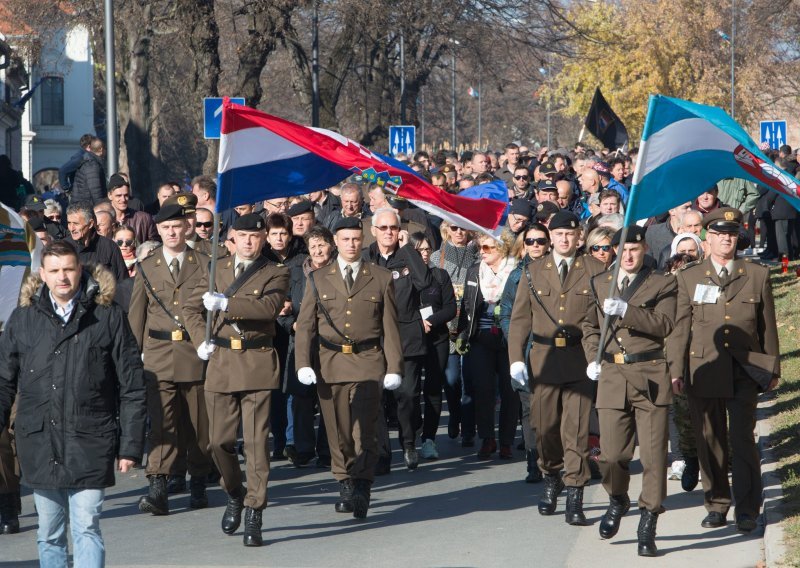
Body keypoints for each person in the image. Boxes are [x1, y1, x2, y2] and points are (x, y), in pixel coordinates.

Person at [0, 240, 147, 567]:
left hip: (90, 440)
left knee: (86, 527)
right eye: (54, 271)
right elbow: (3, 381)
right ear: (42, 274)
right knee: (49, 532)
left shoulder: (108, 317)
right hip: (39, 443)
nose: (62, 277)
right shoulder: (23, 320)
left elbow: (132, 384)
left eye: (68, 269)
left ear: (80, 269)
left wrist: (130, 446)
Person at [667, 207, 780, 533]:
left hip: (745, 368)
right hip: (703, 367)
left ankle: (747, 509)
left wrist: (772, 367)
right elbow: (680, 328)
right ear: (708, 238)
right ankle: (716, 503)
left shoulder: (756, 274)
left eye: (731, 234)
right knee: (710, 439)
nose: (726, 240)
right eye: (719, 234)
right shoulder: (689, 277)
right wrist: (676, 369)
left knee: (742, 439)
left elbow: (767, 326)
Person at [187, 213, 289, 547]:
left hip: (257, 361)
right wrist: (197, 338)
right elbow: (190, 308)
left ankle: (255, 510)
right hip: (221, 361)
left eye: (255, 236)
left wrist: (227, 303)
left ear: (263, 239)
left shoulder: (276, 271)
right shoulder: (214, 269)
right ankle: (234, 491)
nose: (248, 241)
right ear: (232, 236)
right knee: (218, 442)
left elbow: (269, 307)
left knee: (258, 445)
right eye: (243, 235)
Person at [294, 216, 403, 519]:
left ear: (363, 239)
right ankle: (344, 480)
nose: (351, 244)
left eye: (356, 239)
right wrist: (303, 363)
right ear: (335, 243)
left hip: (368, 361)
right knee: (338, 431)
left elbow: (390, 328)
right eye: (345, 239)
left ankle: (362, 483)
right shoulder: (318, 278)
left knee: (364, 429)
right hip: (330, 363)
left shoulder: (380, 277)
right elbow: (305, 327)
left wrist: (394, 366)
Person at [582, 226, 677, 557]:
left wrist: (627, 311)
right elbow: (590, 327)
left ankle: (648, 520)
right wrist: (591, 357)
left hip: (649, 374)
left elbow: (665, 324)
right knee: (611, 455)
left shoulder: (663, 282)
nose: (629, 255)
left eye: (635, 249)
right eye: (623, 249)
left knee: (652, 458)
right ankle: (617, 498)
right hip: (611, 375)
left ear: (644, 248)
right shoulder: (598, 283)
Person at [508, 210, 605, 526]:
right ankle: (551, 475)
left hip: (580, 361)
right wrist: (516, 360)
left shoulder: (594, 269)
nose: (565, 239)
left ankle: (574, 496)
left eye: (571, 234)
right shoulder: (534, 271)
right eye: (559, 234)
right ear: (551, 238)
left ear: (579, 237)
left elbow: (604, 318)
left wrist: (599, 358)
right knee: (544, 428)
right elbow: (520, 318)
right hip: (545, 362)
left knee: (575, 433)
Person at [128, 202, 214, 517]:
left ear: (186, 227)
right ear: (158, 231)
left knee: (198, 424)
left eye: (177, 226)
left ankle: (200, 481)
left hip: (194, 354)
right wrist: (133, 356)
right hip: (158, 356)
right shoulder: (148, 266)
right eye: (165, 228)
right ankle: (158, 487)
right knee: (162, 424)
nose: (172, 232)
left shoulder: (206, 263)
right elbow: (137, 313)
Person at [363, 207, 433, 471]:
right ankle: (381, 452)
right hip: (375, 338)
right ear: (374, 231)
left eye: (393, 228)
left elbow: (425, 282)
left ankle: (408, 443)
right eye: (384, 228)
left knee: (407, 396)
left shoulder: (408, 256)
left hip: (406, 336)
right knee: (376, 398)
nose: (389, 232)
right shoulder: (366, 258)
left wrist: (407, 250)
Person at [457, 230, 520, 460]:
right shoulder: (475, 270)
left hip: (508, 337)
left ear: (502, 248)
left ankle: (506, 441)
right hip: (480, 337)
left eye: (488, 248)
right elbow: (467, 304)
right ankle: (487, 438)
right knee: (482, 390)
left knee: (509, 391)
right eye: (480, 247)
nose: (482, 252)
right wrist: (464, 334)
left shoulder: (516, 271)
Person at [279, 226, 334, 467]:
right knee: (301, 397)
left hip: (330, 344)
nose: (318, 250)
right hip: (301, 342)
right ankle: (302, 448)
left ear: (331, 246)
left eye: (322, 244)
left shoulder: (337, 271)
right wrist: (292, 324)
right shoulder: (295, 273)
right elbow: (280, 308)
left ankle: (327, 449)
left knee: (328, 397)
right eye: (313, 246)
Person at [499, 222, 550, 483]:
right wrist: (515, 341)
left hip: (553, 353)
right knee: (530, 410)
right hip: (525, 352)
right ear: (523, 245)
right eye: (530, 241)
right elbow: (505, 313)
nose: (536, 246)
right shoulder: (516, 276)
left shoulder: (558, 272)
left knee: (553, 411)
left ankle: (556, 459)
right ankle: (533, 461)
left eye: (540, 241)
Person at [430, 222, 478, 444]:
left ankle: (468, 428)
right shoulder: (436, 258)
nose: (459, 232)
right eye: (454, 227)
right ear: (446, 229)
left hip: (469, 327)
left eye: (463, 227)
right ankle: (455, 416)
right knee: (451, 380)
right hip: (446, 327)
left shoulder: (479, 254)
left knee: (470, 379)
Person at [411, 232, 456, 460]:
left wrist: (430, 321)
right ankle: (411, 432)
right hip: (411, 340)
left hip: (437, 338)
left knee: (433, 389)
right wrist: (417, 324)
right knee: (409, 391)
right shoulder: (404, 276)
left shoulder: (440, 275)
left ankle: (429, 439)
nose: (425, 254)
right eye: (419, 250)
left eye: (428, 249)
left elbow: (450, 309)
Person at [65, 201, 129, 281]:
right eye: (69, 223)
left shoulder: (109, 247)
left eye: (76, 224)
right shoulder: (63, 248)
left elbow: (123, 282)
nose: (71, 228)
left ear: (91, 224)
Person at [106, 174, 158, 245]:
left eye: (126, 195)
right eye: (118, 196)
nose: (123, 199)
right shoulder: (103, 220)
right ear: (110, 196)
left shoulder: (144, 219)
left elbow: (155, 245)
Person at [71, 138, 107, 205]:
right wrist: (101, 207)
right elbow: (95, 190)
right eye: (106, 149)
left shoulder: (89, 160)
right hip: (86, 205)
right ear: (101, 149)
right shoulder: (92, 164)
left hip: (82, 203)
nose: (106, 151)